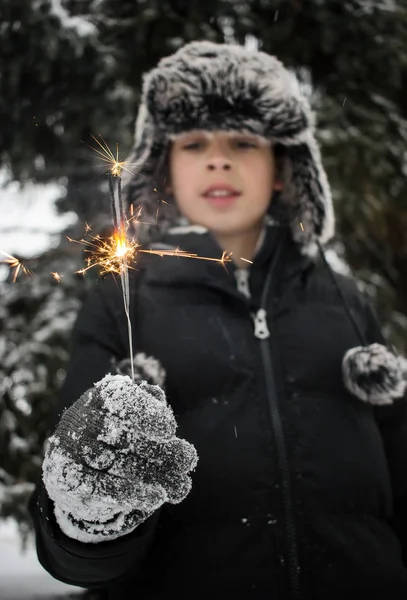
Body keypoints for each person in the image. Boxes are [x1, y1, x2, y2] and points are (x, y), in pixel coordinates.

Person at [29, 41, 407, 600]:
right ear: (165, 166)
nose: (219, 158)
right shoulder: (123, 307)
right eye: (195, 142)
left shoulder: (344, 301)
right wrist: (93, 515)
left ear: (283, 168)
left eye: (243, 141)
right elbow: (77, 559)